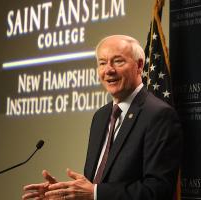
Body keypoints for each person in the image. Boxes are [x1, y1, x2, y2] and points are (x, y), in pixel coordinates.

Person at [22, 35, 183, 200]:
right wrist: (65, 194)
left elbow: (158, 191)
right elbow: (94, 186)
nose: (109, 70)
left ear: (139, 65)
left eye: (118, 61)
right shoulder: (101, 116)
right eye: (102, 63)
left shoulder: (158, 115)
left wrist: (95, 193)